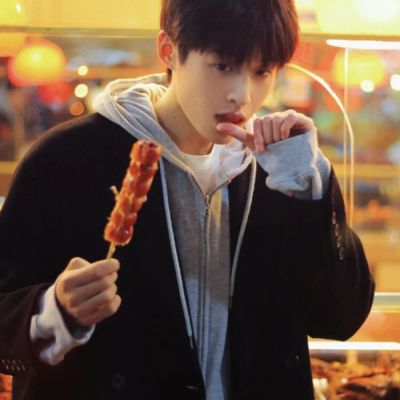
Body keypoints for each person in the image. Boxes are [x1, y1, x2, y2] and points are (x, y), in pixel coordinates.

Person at [0, 0, 374, 399]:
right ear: (169, 50)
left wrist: (308, 191)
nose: (242, 95)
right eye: (222, 65)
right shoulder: (67, 159)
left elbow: (340, 318)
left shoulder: (281, 169)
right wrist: (53, 311)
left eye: (262, 71)